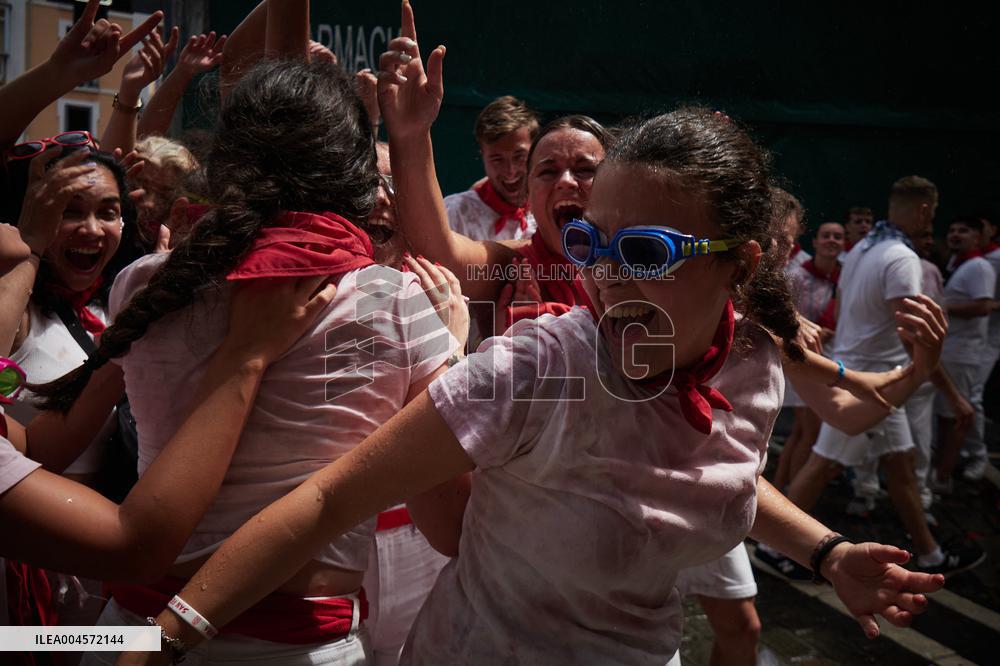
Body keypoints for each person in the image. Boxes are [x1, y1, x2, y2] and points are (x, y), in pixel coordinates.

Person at [119, 8, 944, 664]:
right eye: (592, 243)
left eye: (646, 253)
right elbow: (328, 497)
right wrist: (155, 643)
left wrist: (829, 551)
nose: (608, 278)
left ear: (742, 264)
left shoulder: (758, 360)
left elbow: (710, 468)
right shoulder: (533, 359)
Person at [32, 4, 465, 660]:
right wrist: (454, 353)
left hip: (129, 632)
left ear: (226, 160)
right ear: (354, 172)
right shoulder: (393, 300)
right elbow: (451, 526)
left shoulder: (146, 285)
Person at [776, 176, 985, 577]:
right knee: (822, 465)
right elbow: (914, 338)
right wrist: (952, 394)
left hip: (870, 374)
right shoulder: (902, 259)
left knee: (900, 466)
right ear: (925, 210)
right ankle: (781, 548)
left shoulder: (863, 250)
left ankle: (929, 553)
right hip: (875, 378)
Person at [774, 221, 844, 492]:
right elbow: (789, 317)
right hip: (801, 357)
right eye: (826, 235)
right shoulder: (799, 276)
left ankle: (784, 488)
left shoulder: (842, 275)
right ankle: (793, 495)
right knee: (810, 431)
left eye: (837, 236)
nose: (831, 240)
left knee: (801, 432)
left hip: (824, 354)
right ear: (815, 242)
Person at [932, 216, 997, 485]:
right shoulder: (959, 264)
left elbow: (983, 306)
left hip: (963, 353)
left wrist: (942, 308)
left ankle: (944, 477)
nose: (956, 235)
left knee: (955, 416)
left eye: (964, 230)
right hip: (951, 350)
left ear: (978, 236)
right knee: (945, 416)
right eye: (952, 230)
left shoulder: (979, 266)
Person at [443, 95, 540, 242]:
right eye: (497, 159)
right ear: (482, 156)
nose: (510, 171)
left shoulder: (552, 208)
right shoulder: (455, 212)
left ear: (536, 151)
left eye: (519, 156)